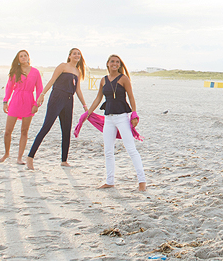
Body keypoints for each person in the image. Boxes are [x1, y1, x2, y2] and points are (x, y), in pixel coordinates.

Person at [86, 55, 146, 191]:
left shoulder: (123, 79)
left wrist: (134, 113)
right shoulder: (103, 80)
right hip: (108, 118)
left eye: (117, 62)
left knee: (131, 149)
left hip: (122, 117)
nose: (115, 64)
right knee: (108, 151)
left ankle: (142, 182)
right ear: (107, 63)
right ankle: (110, 181)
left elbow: (131, 97)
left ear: (120, 65)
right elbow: (98, 98)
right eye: (112, 61)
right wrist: (88, 113)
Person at [26, 48, 88, 170]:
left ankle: (64, 160)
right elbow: (52, 80)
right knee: (46, 127)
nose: (77, 55)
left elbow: (78, 90)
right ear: (69, 56)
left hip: (69, 100)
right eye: (74, 53)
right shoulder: (63, 66)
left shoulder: (77, 72)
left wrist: (85, 106)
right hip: (57, 97)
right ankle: (30, 157)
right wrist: (42, 94)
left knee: (66, 130)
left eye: (78, 54)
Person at [0, 50, 43, 164]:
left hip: (29, 101)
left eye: (25, 55)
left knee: (24, 131)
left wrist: (37, 104)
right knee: (8, 131)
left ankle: (19, 157)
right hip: (16, 100)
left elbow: (39, 89)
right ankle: (6, 153)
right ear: (18, 59)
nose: (23, 57)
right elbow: (9, 87)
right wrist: (5, 101)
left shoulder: (35, 72)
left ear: (28, 57)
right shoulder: (15, 71)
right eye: (21, 56)